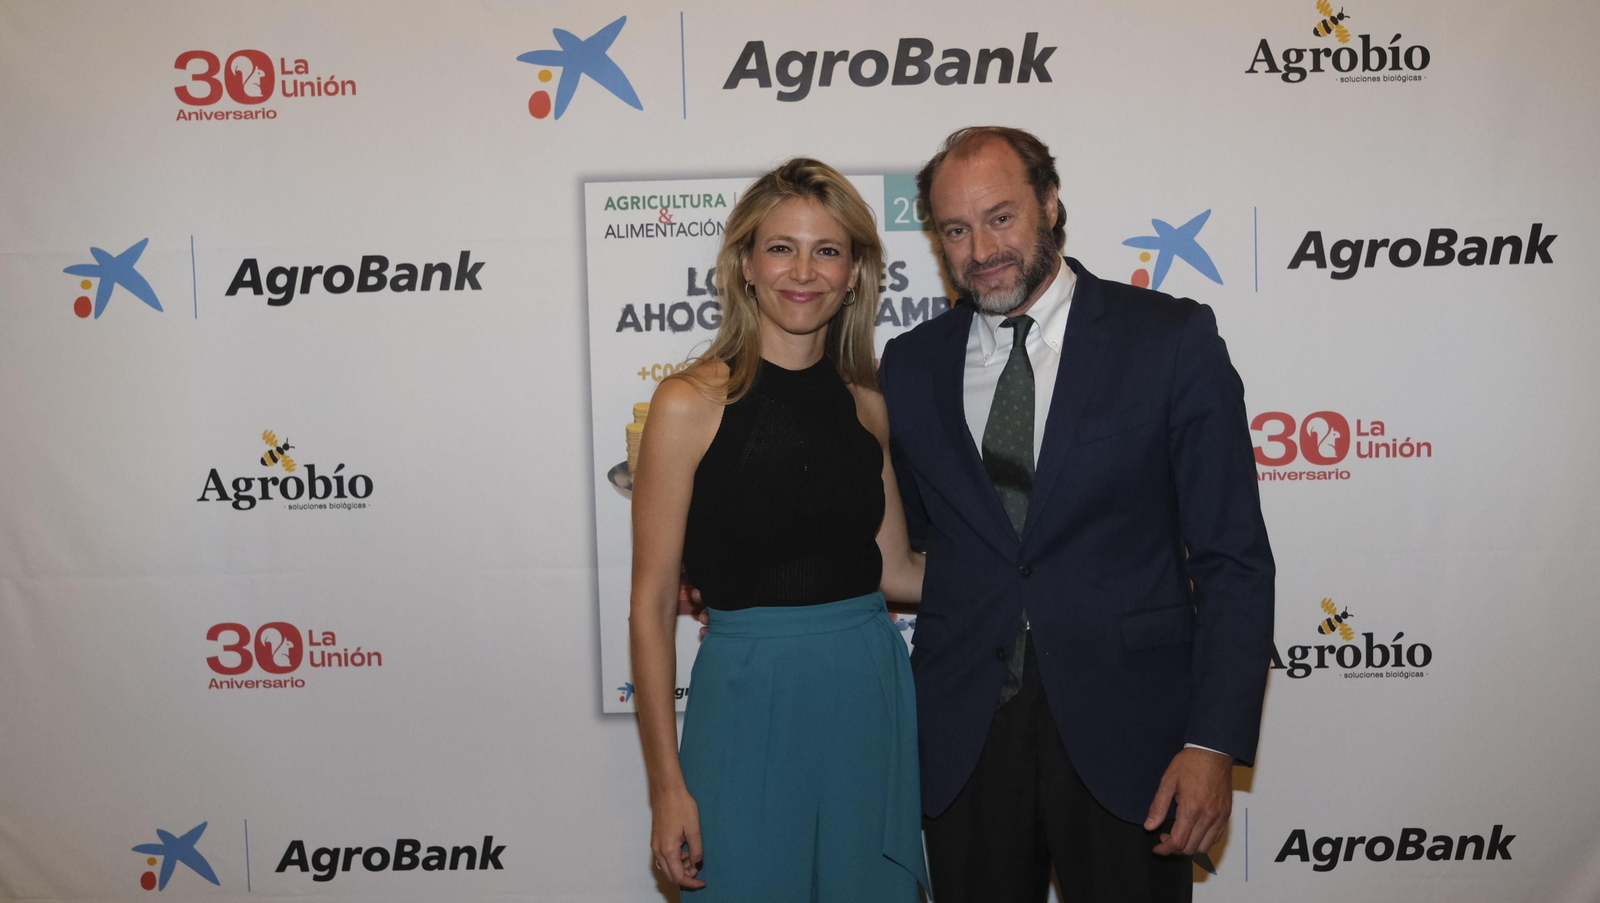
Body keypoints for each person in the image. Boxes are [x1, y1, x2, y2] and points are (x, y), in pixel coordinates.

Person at [878, 126, 1275, 902]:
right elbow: (920, 541)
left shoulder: (1168, 338)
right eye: (955, 230)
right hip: (966, 739)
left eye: (1000, 217)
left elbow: (1232, 559)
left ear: (1051, 204)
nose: (980, 249)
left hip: (1133, 737)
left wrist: (1211, 743)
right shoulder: (912, 363)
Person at [628, 158, 929, 901]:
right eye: (781, 248)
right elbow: (651, 603)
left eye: (827, 250)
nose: (803, 271)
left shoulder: (868, 403)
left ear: (854, 272)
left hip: (866, 691)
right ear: (745, 264)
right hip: (745, 694)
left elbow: (896, 569)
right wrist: (666, 786)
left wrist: (1037, 567)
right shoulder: (688, 403)